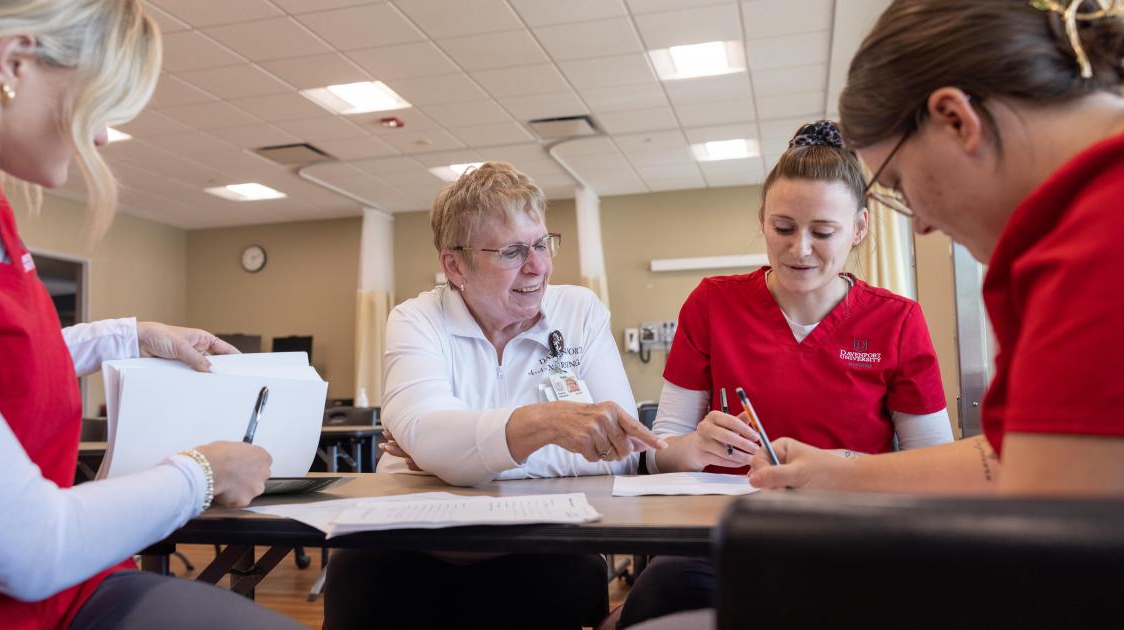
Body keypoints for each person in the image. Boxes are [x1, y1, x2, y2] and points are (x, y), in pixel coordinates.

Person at [0, 2, 301, 628]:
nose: (102, 137)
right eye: (102, 101)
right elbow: (30, 548)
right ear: (12, 63)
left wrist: (130, 336)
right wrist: (203, 472)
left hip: (73, 586)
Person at [748, 0, 1124, 496]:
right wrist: (836, 472)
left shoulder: (1095, 245)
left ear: (955, 119)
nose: (921, 224)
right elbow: (1015, 453)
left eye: (901, 185)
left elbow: (1056, 519)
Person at [615, 121, 953, 628]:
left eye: (823, 232)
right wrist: (693, 448)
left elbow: (934, 467)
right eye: (783, 228)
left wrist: (840, 466)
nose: (800, 250)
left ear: (859, 228)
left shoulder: (897, 320)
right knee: (659, 594)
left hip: (852, 535)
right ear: (763, 221)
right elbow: (660, 446)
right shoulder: (712, 304)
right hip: (726, 537)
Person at [323, 161, 666, 630]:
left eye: (542, 243)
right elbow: (426, 429)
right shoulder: (417, 319)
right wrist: (547, 425)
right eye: (512, 251)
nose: (538, 266)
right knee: (359, 572)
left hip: (541, 550)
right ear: (455, 264)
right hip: (411, 551)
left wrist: (452, 459)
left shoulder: (578, 312)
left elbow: (619, 448)